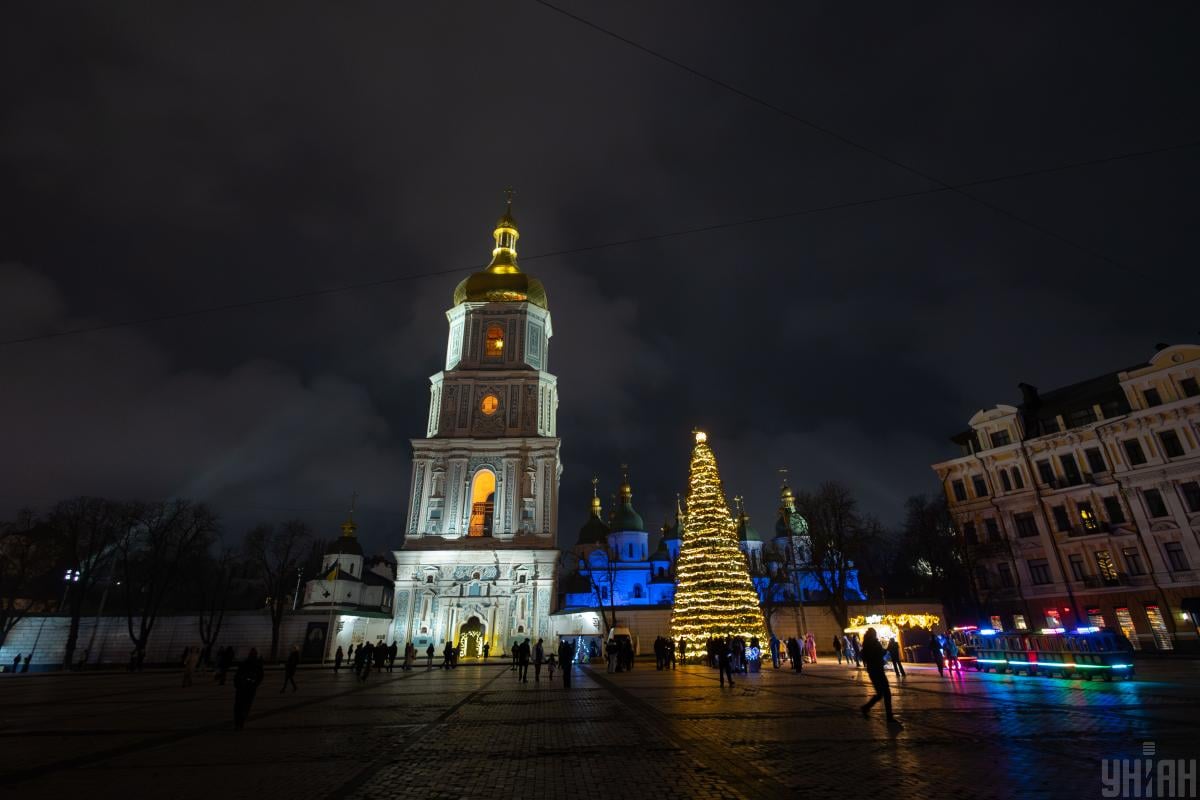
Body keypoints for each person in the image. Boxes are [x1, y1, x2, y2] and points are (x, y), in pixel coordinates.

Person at [858, 628, 900, 727]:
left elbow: (866, 656)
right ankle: (889, 717)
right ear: (873, 634)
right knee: (886, 693)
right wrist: (887, 649)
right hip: (878, 670)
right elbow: (880, 653)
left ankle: (866, 707)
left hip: (872, 670)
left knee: (880, 693)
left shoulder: (866, 644)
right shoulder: (874, 643)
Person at [233, 648, 265, 730]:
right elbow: (260, 676)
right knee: (246, 705)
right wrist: (255, 684)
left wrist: (237, 684)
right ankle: (241, 722)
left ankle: (238, 722)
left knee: (238, 705)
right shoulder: (257, 665)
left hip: (242, 687)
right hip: (250, 688)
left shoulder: (245, 663)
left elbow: (237, 675)